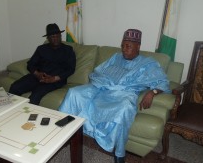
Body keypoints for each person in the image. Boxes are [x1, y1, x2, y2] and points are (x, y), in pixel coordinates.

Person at [59, 29, 170, 163]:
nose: (124, 49)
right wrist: (101, 81)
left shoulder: (147, 63)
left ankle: (119, 153)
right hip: (101, 87)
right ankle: (64, 132)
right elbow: (99, 71)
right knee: (74, 93)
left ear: (138, 46)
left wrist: (153, 92)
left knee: (124, 109)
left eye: (128, 46)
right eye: (123, 45)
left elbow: (163, 81)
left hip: (123, 94)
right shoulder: (116, 57)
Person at [9, 23, 76, 105]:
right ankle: (10, 110)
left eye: (57, 36)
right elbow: (30, 64)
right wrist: (37, 74)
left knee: (35, 97)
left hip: (55, 80)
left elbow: (71, 69)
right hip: (38, 76)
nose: (55, 39)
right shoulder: (41, 49)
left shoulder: (68, 50)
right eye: (52, 37)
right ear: (48, 38)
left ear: (60, 36)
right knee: (14, 87)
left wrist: (55, 78)